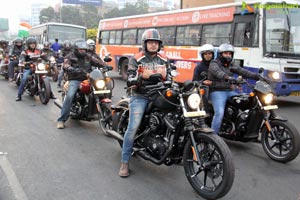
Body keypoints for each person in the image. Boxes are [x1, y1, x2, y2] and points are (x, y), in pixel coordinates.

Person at [119, 28, 170, 178]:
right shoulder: (136, 59)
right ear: (145, 44)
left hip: (159, 94)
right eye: (150, 42)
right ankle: (125, 162)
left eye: (156, 43)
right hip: (140, 95)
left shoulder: (164, 59)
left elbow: (171, 75)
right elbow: (129, 79)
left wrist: (168, 79)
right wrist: (141, 77)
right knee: (133, 127)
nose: (153, 45)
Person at [208, 43, 260, 134]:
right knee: (219, 113)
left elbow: (243, 72)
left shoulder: (231, 64)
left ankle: (245, 130)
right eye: (226, 53)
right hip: (217, 91)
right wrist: (228, 78)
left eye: (230, 53)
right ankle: (213, 137)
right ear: (220, 54)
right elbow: (218, 73)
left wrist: (258, 77)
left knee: (247, 103)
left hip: (229, 91)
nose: (228, 55)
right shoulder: (214, 63)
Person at [56, 39, 105, 129]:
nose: (83, 51)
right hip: (75, 79)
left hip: (88, 78)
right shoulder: (70, 56)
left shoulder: (88, 56)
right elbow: (66, 64)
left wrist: (105, 65)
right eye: (81, 49)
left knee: (101, 90)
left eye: (84, 49)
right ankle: (61, 120)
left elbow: (97, 62)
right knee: (70, 95)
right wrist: (70, 68)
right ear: (76, 49)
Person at [192, 44, 214, 113]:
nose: (208, 55)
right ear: (202, 55)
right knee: (205, 89)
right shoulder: (198, 67)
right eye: (205, 54)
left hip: (216, 87)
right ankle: (206, 112)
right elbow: (194, 81)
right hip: (204, 89)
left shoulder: (216, 65)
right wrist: (203, 82)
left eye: (210, 53)